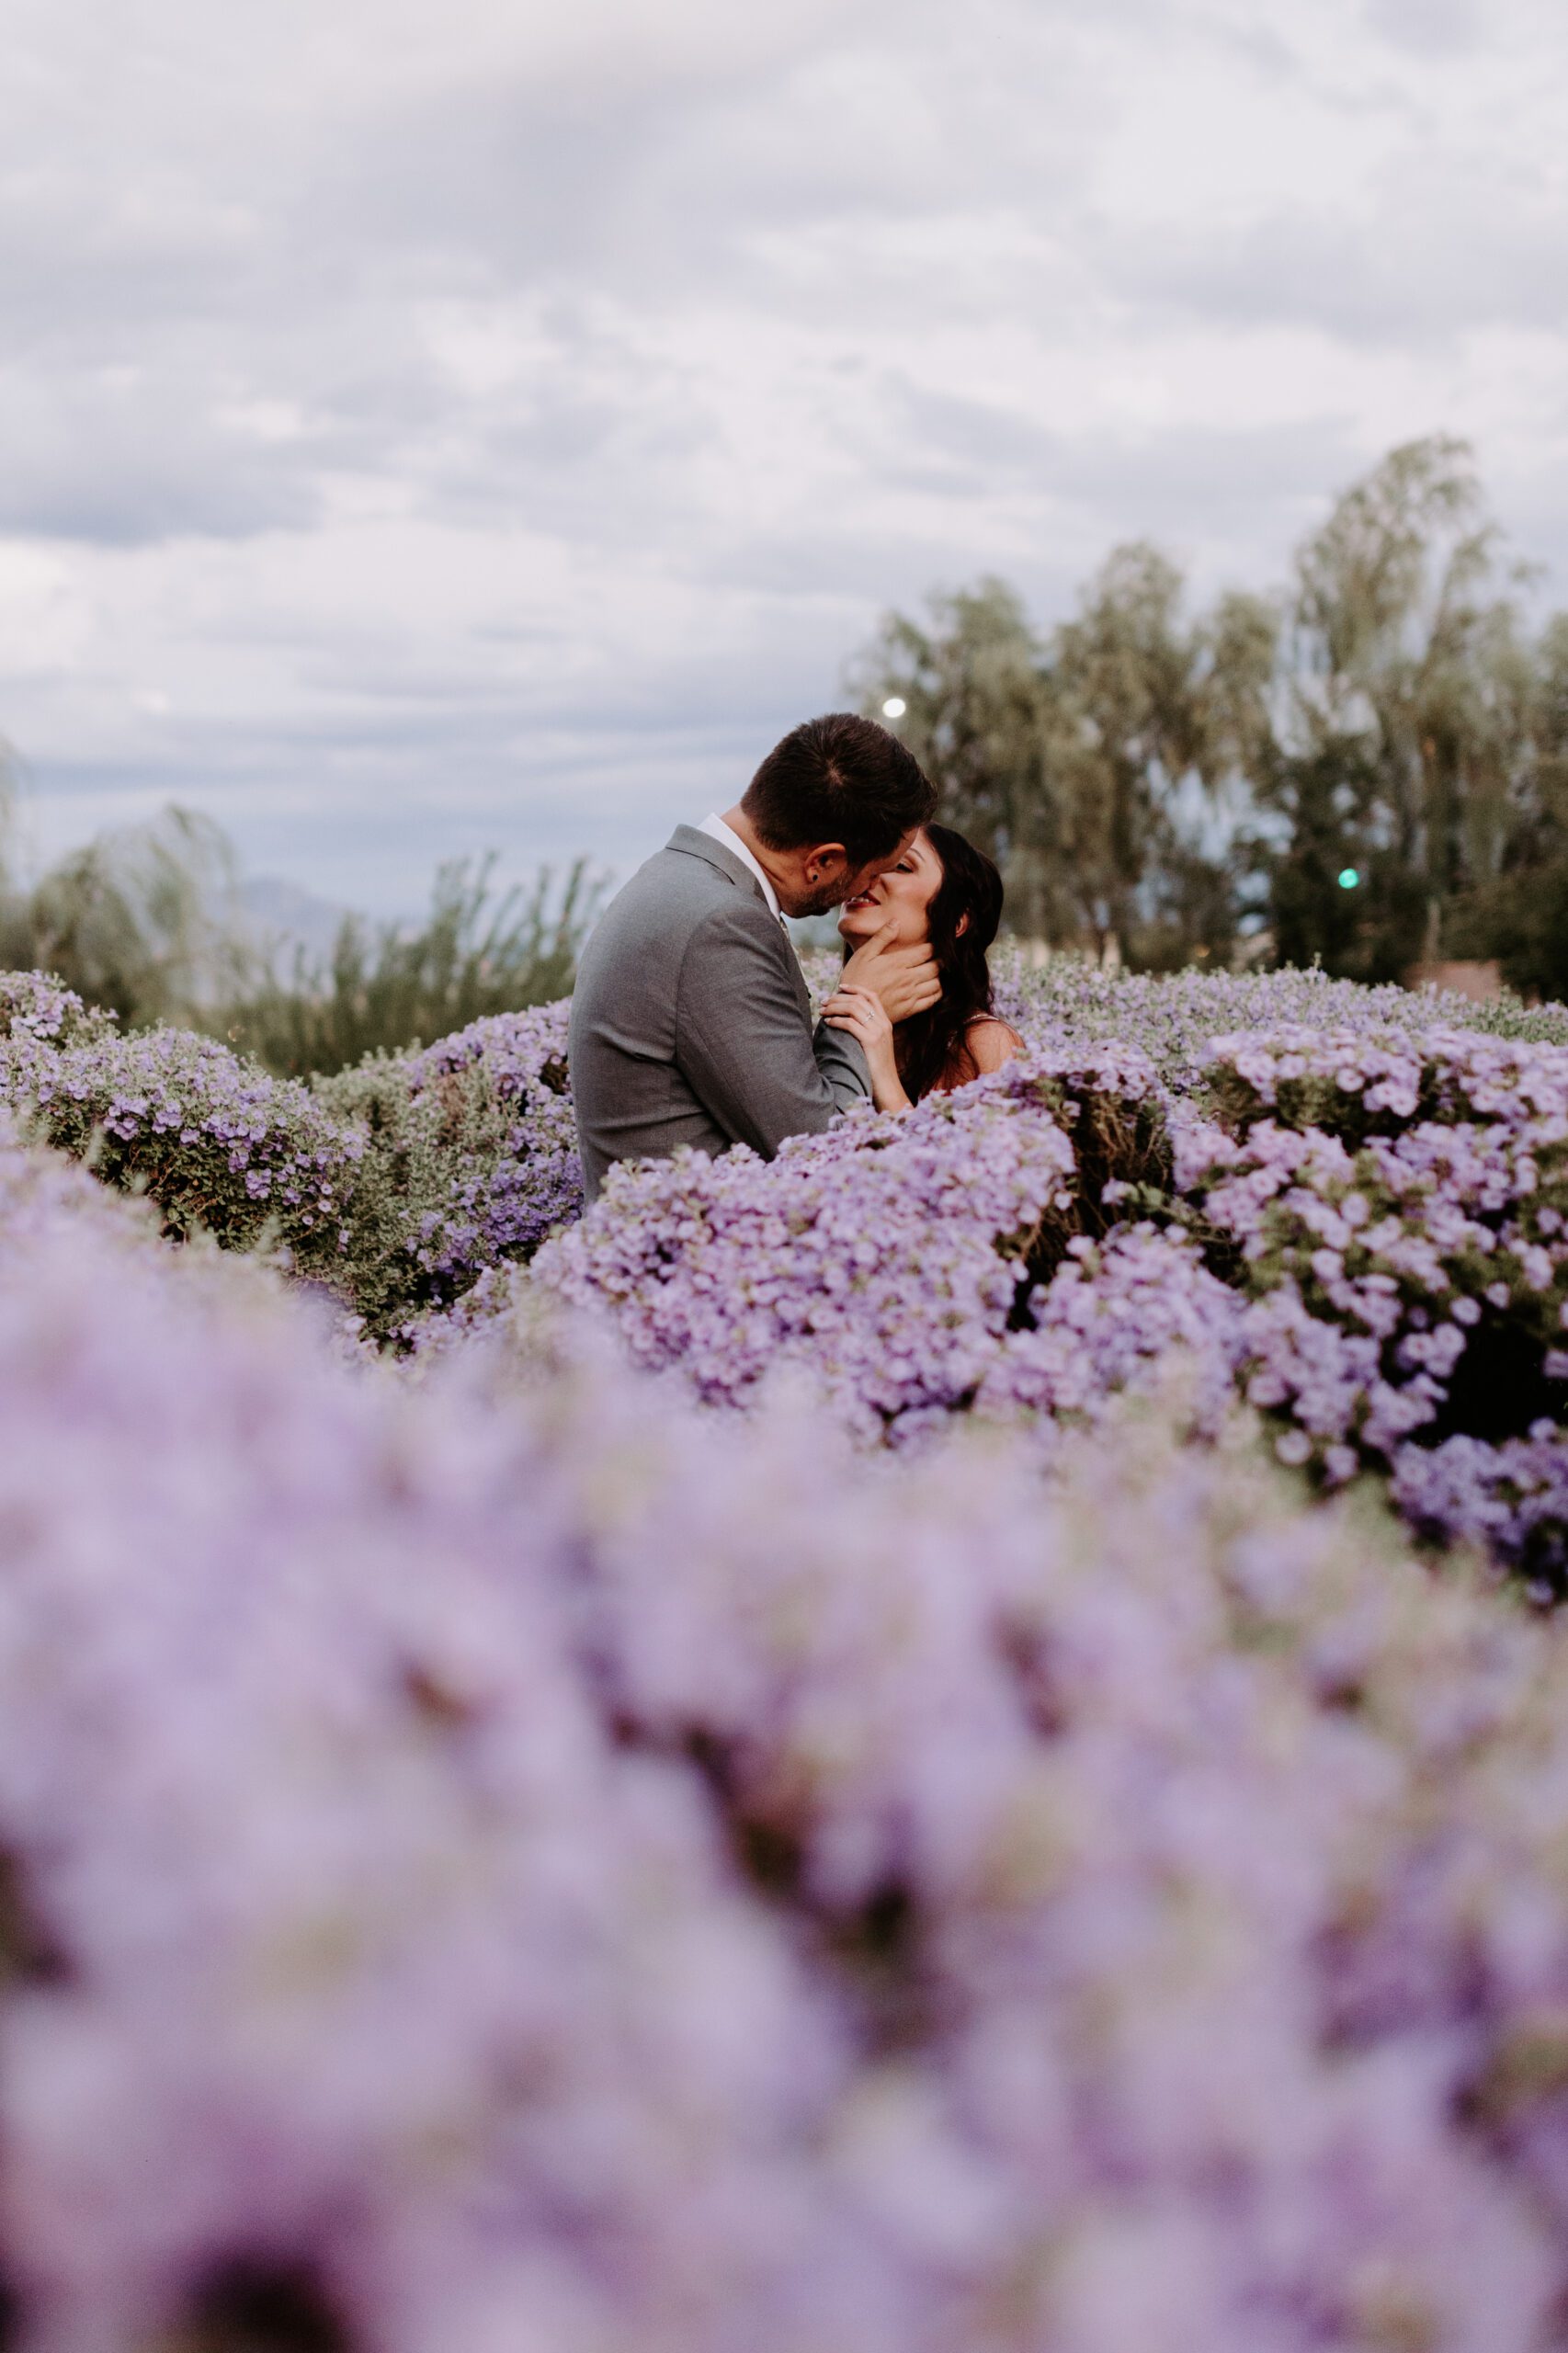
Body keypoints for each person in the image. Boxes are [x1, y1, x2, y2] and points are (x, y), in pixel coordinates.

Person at [569, 712, 940, 1199]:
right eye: (877, 871)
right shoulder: (721, 925)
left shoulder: (679, 879)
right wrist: (858, 1004)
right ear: (823, 861)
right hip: (693, 1259)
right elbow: (815, 1148)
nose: (872, 889)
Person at [821, 823, 1024, 1109]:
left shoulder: (985, 1045)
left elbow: (1013, 1154)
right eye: (868, 858)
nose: (867, 872)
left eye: (901, 866)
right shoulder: (821, 1029)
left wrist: (885, 1078)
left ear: (957, 921)